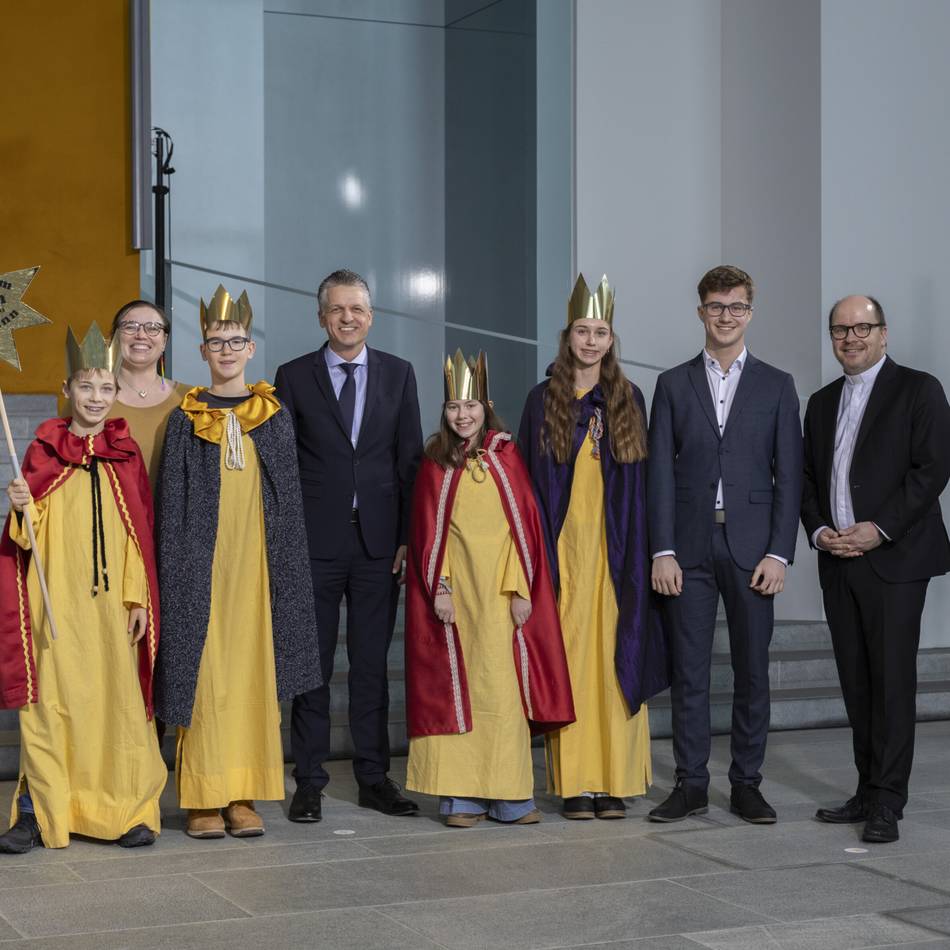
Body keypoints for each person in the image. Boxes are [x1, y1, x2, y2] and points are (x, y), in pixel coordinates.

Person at [155, 286, 320, 839]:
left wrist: (286, 570)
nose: (226, 350)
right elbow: (171, 503)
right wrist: (175, 568)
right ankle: (203, 795)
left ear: (251, 349)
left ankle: (244, 795)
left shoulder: (272, 416)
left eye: (236, 341)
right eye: (215, 341)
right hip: (201, 568)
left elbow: (289, 500)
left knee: (252, 674)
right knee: (203, 677)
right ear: (201, 351)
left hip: (258, 569)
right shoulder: (185, 418)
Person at [0, 326, 166, 853]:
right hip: (57, 604)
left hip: (112, 608)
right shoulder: (45, 448)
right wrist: (23, 506)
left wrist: (138, 598)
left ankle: (128, 811)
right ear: (66, 388)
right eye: (85, 387)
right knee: (50, 708)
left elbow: (140, 533)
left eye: (104, 387)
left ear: (115, 390)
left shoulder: (125, 451)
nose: (95, 398)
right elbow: (26, 536)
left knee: (119, 707)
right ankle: (38, 813)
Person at [647, 264, 802, 825]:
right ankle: (689, 783)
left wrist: (780, 553)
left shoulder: (777, 385)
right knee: (689, 671)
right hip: (686, 550)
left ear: (750, 313)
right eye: (717, 306)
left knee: (751, 671)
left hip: (754, 550)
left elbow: (790, 476)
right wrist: (660, 549)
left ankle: (746, 784)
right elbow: (658, 472)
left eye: (737, 306)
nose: (726, 316)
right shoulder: (671, 384)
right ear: (701, 312)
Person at [275, 269, 423, 823]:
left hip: (380, 547)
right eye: (337, 309)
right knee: (308, 665)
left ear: (371, 315)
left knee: (369, 667)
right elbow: (283, 466)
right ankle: (308, 781)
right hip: (313, 544)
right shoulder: (293, 376)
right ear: (321, 316)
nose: (347, 318)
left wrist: (408, 536)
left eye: (356, 309)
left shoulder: (399, 374)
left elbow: (410, 460)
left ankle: (372, 777)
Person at [802, 295, 950, 844]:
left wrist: (877, 528)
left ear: (884, 334)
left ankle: (889, 800)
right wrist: (820, 531)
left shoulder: (919, 389)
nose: (851, 337)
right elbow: (808, 480)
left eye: (863, 327)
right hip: (838, 560)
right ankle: (866, 789)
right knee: (857, 682)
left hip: (894, 559)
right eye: (841, 329)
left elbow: (932, 468)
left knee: (891, 682)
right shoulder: (820, 403)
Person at [519, 274, 667, 820]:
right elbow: (530, 483)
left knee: (616, 658)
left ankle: (617, 782)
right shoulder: (544, 400)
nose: (591, 341)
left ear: (611, 339)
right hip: (564, 553)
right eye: (583, 330)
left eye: (601, 332)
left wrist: (653, 553)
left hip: (618, 553)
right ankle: (577, 783)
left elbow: (647, 485)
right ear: (568, 335)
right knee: (573, 660)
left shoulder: (628, 399)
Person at [405, 350, 574, 827]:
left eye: (472, 405)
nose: (464, 415)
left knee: (501, 694)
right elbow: (428, 533)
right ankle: (461, 796)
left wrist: (522, 591)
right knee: (457, 689)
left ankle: (510, 794)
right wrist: (439, 587)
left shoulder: (507, 457)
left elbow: (524, 531)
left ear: (487, 406)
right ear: (445, 412)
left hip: (502, 598)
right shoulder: (435, 463)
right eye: (455, 407)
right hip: (456, 599)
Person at [57, 300, 188, 491]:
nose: (141, 335)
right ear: (114, 338)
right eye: (130, 326)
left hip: (176, 520)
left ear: (164, 341)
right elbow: (58, 466)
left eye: (153, 328)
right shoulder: (87, 401)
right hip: (109, 517)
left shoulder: (191, 400)